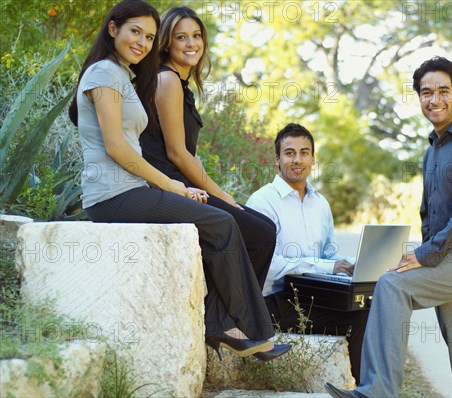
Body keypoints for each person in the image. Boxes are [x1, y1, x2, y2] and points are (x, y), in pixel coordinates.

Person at [68, 0, 289, 362]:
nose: (141, 42)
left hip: (129, 190)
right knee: (222, 222)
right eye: (134, 31)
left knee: (223, 223)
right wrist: (172, 185)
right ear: (113, 29)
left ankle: (235, 329)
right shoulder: (104, 73)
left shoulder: (123, 74)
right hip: (112, 195)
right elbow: (115, 146)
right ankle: (248, 331)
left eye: (149, 37)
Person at [325, 56, 452, 398]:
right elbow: (432, 214)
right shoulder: (433, 150)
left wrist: (427, 254)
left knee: (393, 286)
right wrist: (416, 251)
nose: (434, 99)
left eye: (443, 90)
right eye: (426, 92)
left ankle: (377, 391)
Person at [139, 6, 276, 289]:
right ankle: (231, 316)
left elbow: (187, 151)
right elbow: (176, 153)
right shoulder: (167, 80)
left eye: (196, 35)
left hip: (186, 181)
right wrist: (223, 195)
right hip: (170, 187)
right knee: (261, 233)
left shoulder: (180, 83)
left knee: (264, 227)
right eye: (181, 37)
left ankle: (224, 315)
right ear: (167, 42)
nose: (191, 44)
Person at [246, 123, 369, 383]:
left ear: (313, 159)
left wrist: (353, 264)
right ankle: (364, 388)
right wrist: (327, 267)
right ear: (277, 160)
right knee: (361, 316)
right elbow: (268, 265)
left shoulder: (320, 204)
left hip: (315, 294)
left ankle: (377, 384)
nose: (297, 160)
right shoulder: (262, 202)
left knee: (375, 302)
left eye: (304, 152)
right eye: (289, 153)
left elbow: (328, 254)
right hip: (276, 301)